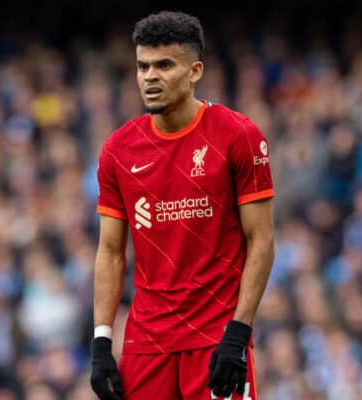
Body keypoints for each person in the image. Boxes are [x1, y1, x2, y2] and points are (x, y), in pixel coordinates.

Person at [90, 11, 275, 400]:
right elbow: (110, 252)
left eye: (164, 65)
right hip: (146, 343)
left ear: (195, 72)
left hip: (216, 336)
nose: (149, 77)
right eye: (142, 66)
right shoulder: (118, 151)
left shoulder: (237, 135)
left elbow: (261, 239)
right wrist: (102, 343)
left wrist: (239, 332)